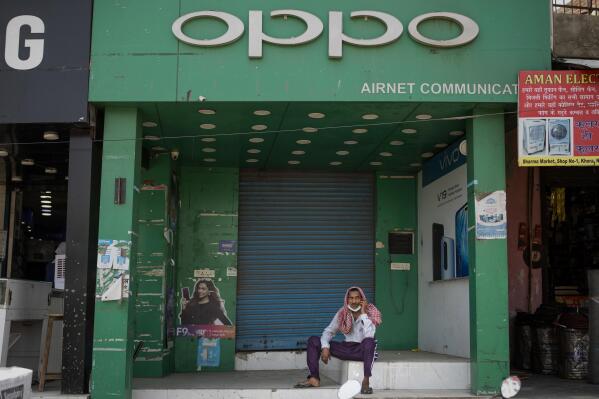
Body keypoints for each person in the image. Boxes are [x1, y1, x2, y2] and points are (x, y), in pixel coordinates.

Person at [294, 286, 381, 394]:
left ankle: (366, 380)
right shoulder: (342, 312)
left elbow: (370, 335)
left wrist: (363, 313)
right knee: (313, 340)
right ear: (347, 299)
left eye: (357, 298)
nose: (354, 301)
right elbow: (329, 331)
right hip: (345, 348)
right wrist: (325, 347)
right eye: (351, 298)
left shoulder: (369, 313)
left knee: (370, 342)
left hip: (361, 350)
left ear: (362, 299)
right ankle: (314, 378)